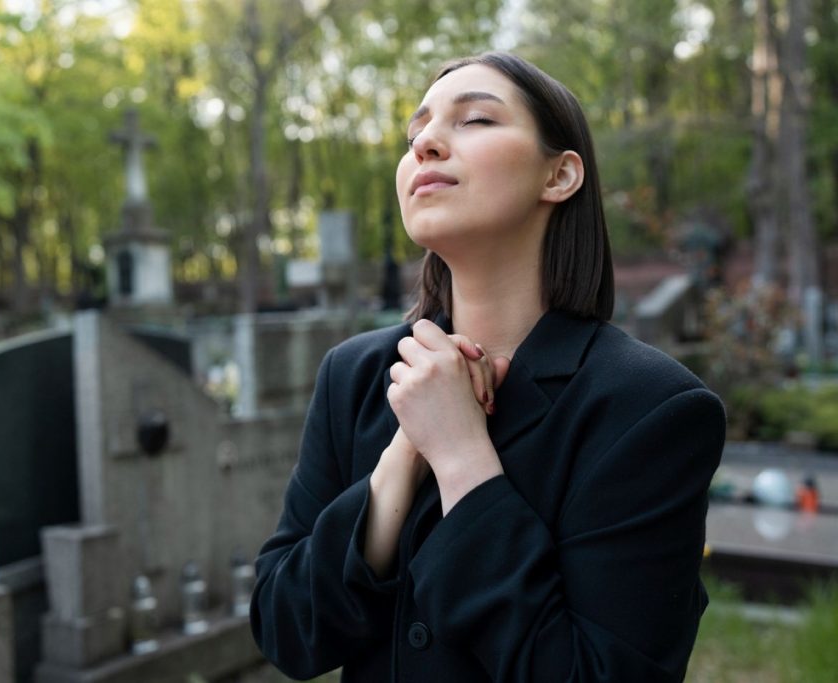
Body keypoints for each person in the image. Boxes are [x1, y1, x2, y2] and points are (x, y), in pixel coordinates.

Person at [249, 52, 726, 682]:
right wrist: (401, 458)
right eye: (414, 133)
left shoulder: (651, 408)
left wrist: (460, 456)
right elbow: (287, 630)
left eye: (474, 119)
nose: (426, 144)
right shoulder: (354, 376)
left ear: (558, 175)